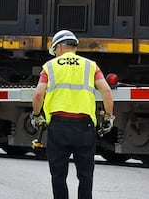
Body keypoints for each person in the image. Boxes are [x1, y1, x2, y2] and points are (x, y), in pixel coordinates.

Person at [31, 30, 115, 199]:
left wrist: (36, 114)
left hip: (58, 126)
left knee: (58, 175)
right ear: (74, 47)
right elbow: (106, 90)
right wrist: (108, 117)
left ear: (60, 47)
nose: (55, 54)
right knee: (85, 176)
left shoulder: (50, 66)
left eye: (54, 50)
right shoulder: (90, 66)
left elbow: (39, 94)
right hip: (84, 127)